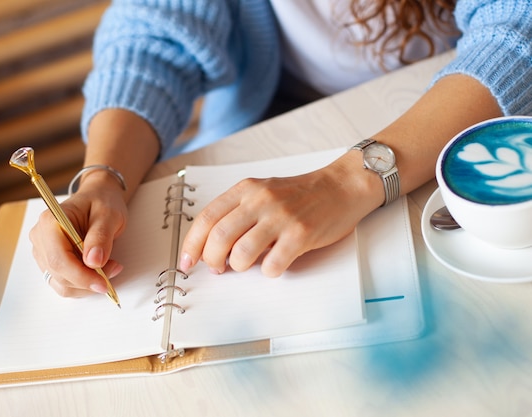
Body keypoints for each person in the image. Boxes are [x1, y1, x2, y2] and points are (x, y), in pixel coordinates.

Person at [30, 0, 532, 298]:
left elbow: (516, 28)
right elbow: (152, 36)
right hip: (279, 132)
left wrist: (346, 181)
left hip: (456, 126)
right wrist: (103, 179)